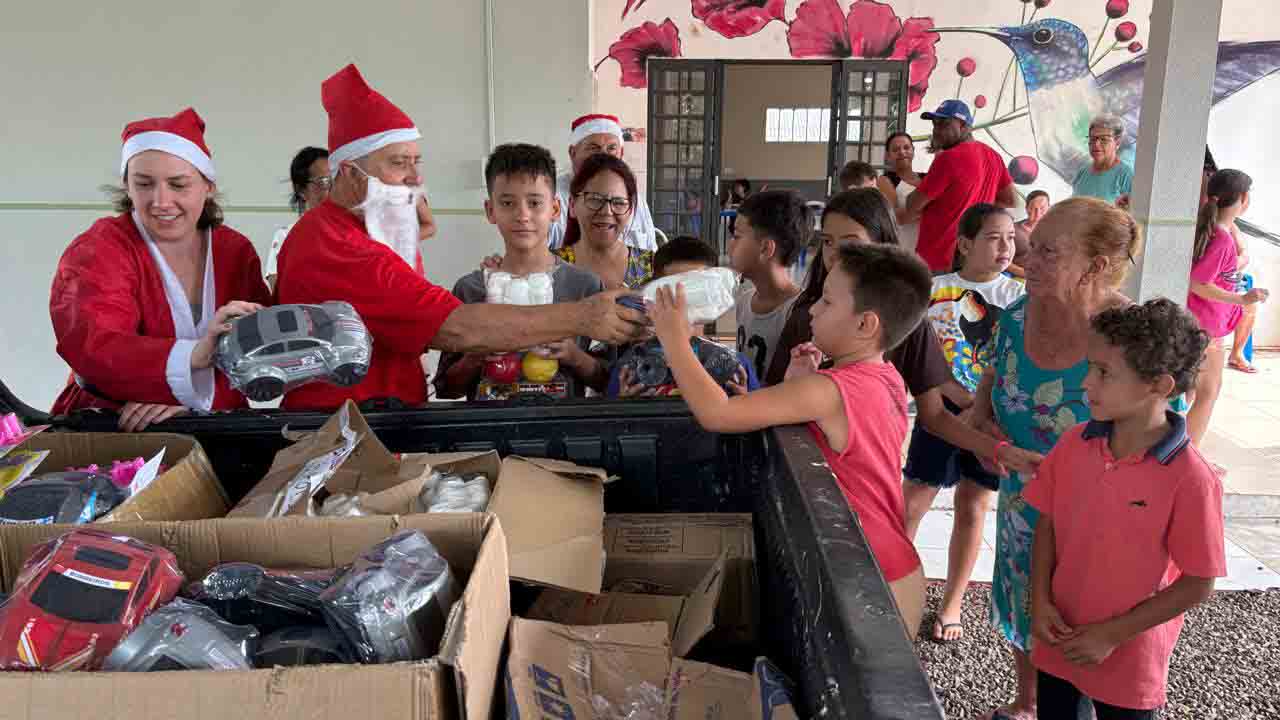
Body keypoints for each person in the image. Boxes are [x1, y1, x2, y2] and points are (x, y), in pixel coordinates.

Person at [275, 64, 647, 411]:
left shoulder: (373, 230)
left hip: (379, 420)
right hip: (347, 429)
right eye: (398, 163)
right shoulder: (335, 245)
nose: (415, 179)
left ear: (554, 208)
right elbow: (454, 327)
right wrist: (581, 316)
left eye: (416, 162)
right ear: (350, 174)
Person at [649, 242, 934, 635]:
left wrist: (675, 342)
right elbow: (837, 436)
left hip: (869, 575)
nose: (813, 308)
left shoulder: (827, 390)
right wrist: (796, 384)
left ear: (865, 324)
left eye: (827, 302)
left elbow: (717, 414)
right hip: (895, 562)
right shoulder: (885, 377)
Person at [968, 197, 1140, 720]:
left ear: (1096, 266)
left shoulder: (1132, 333)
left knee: (1090, 615)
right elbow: (986, 397)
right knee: (1025, 603)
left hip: (1101, 514)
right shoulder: (1015, 316)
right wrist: (990, 433)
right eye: (1032, 246)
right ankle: (1029, 701)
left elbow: (1165, 429)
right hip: (1026, 502)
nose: (1028, 259)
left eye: (1049, 253)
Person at [1027, 299, 1224, 719]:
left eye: (1104, 373)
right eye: (1089, 368)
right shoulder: (1074, 443)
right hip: (1058, 634)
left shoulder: (1191, 478)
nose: (1087, 384)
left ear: (1159, 386)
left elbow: (1198, 582)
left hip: (1129, 658)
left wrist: (1112, 635)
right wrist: (1040, 601)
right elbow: (1048, 522)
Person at [767, 190, 1041, 479]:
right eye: (827, 242)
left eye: (850, 244)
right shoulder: (808, 316)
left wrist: (995, 449)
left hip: (869, 478)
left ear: (882, 247)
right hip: (805, 472)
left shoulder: (908, 324)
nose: (834, 254)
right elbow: (771, 396)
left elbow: (934, 416)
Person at [50, 108, 271, 431]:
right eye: (144, 184)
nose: (160, 201)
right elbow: (94, 346)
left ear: (207, 185)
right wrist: (190, 362)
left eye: (178, 184)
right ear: (126, 185)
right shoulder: (98, 250)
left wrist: (184, 394)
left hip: (220, 421)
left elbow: (256, 346)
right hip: (120, 423)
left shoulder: (234, 251)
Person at [903, 203, 1026, 643]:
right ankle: (894, 587)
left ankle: (951, 602)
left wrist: (986, 404)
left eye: (1011, 237)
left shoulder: (1018, 298)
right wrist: (948, 391)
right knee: (913, 501)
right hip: (939, 412)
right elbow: (916, 353)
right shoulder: (934, 291)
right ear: (965, 244)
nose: (1005, 247)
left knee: (973, 508)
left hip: (991, 420)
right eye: (994, 237)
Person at [434, 144, 605, 400]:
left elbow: (608, 381)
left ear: (555, 210)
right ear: (491, 211)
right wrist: (475, 355)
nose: (522, 215)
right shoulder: (470, 290)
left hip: (561, 432)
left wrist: (573, 355)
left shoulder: (584, 287)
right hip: (488, 432)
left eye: (535, 202)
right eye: (507, 203)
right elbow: (447, 389)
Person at [609, 235, 757, 398]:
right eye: (674, 294)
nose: (684, 307)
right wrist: (622, 405)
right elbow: (605, 422)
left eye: (697, 295)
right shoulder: (630, 368)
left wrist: (744, 403)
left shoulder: (735, 367)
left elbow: (760, 420)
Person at [1185, 169, 1270, 449]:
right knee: (1208, 391)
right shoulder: (1221, 239)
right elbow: (1198, 282)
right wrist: (1243, 299)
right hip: (1206, 326)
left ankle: (1180, 451)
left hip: (1199, 323)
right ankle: (1188, 456)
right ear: (1244, 199)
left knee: (1191, 392)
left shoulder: (1211, 230)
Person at [903, 100, 1017, 273]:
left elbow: (912, 206)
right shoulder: (993, 156)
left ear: (964, 125)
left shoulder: (948, 158)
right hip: (973, 259)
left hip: (938, 259)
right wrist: (977, 214)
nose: (936, 130)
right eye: (935, 124)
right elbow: (1010, 200)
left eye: (944, 124)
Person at [549, 114, 656, 252]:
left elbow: (651, 251)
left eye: (611, 148)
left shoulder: (634, 197)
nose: (603, 155)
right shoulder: (553, 196)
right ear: (573, 152)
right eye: (593, 148)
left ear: (621, 153)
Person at [731, 190, 807, 381]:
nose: (730, 245)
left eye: (737, 236)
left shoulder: (799, 313)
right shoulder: (744, 300)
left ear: (765, 248)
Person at [555, 154, 655, 289]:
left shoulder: (652, 267)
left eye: (618, 202)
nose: (607, 211)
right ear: (572, 205)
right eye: (595, 200)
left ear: (630, 210)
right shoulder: (551, 267)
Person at [265, 147, 331, 291]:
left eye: (336, 179)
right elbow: (278, 289)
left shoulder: (355, 231)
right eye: (324, 182)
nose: (333, 189)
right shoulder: (286, 236)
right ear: (301, 190)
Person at [878, 131, 927, 255]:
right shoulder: (885, 181)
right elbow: (897, 217)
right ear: (888, 156)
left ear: (913, 151)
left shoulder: (927, 177)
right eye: (895, 150)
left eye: (906, 147)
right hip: (902, 251)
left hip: (929, 250)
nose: (902, 152)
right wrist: (930, 208)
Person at [1071, 115, 1134, 206]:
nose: (1096, 144)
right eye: (1093, 139)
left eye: (1104, 139)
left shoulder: (1126, 176)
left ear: (1117, 143)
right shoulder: (1082, 172)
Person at [1010, 190, 1049, 278]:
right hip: (1013, 275)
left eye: (1042, 208)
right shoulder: (1012, 229)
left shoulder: (1053, 233)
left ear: (1048, 209)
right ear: (1027, 208)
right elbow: (1001, 260)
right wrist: (1026, 274)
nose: (1038, 213)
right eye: (1033, 208)